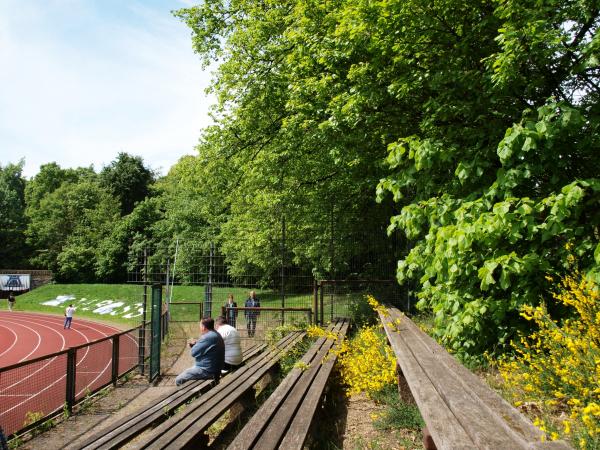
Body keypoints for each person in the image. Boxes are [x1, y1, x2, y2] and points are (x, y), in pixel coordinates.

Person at [175, 317, 225, 386]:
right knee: (187, 372)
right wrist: (197, 345)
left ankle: (185, 395)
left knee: (179, 379)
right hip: (215, 370)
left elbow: (193, 353)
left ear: (203, 327)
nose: (200, 328)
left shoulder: (207, 337)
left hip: (207, 371)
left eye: (200, 325)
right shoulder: (215, 334)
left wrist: (193, 346)